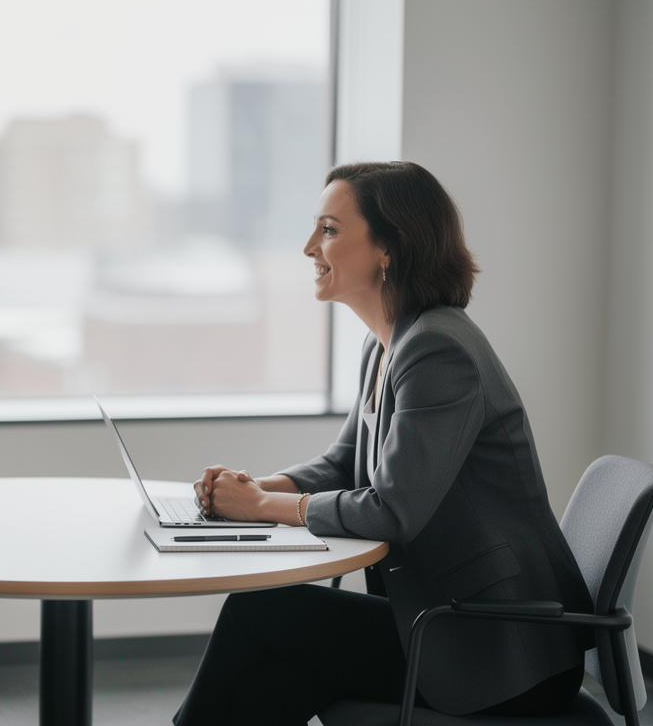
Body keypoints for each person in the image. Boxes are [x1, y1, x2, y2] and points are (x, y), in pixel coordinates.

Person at [174, 161, 593, 724]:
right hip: (441, 620)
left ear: (389, 247)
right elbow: (346, 464)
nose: (307, 248)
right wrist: (251, 489)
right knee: (270, 678)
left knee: (263, 617)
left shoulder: (438, 351)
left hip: (496, 648)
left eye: (328, 230)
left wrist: (260, 509)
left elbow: (393, 510)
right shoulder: (390, 344)